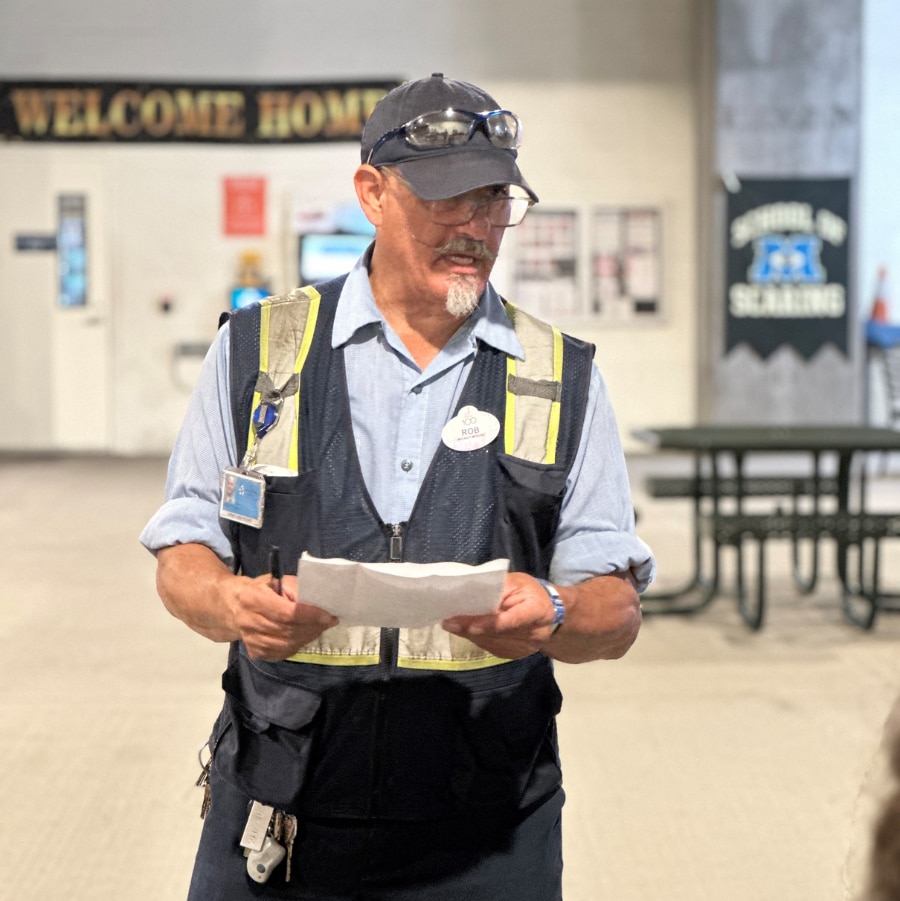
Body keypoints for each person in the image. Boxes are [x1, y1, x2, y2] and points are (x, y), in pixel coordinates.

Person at [141, 72, 654, 900]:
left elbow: (617, 609)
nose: (476, 229)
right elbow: (183, 549)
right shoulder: (258, 351)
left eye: (494, 201)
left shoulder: (560, 376)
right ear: (372, 194)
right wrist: (230, 603)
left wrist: (554, 612)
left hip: (486, 832)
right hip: (284, 810)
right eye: (448, 201)